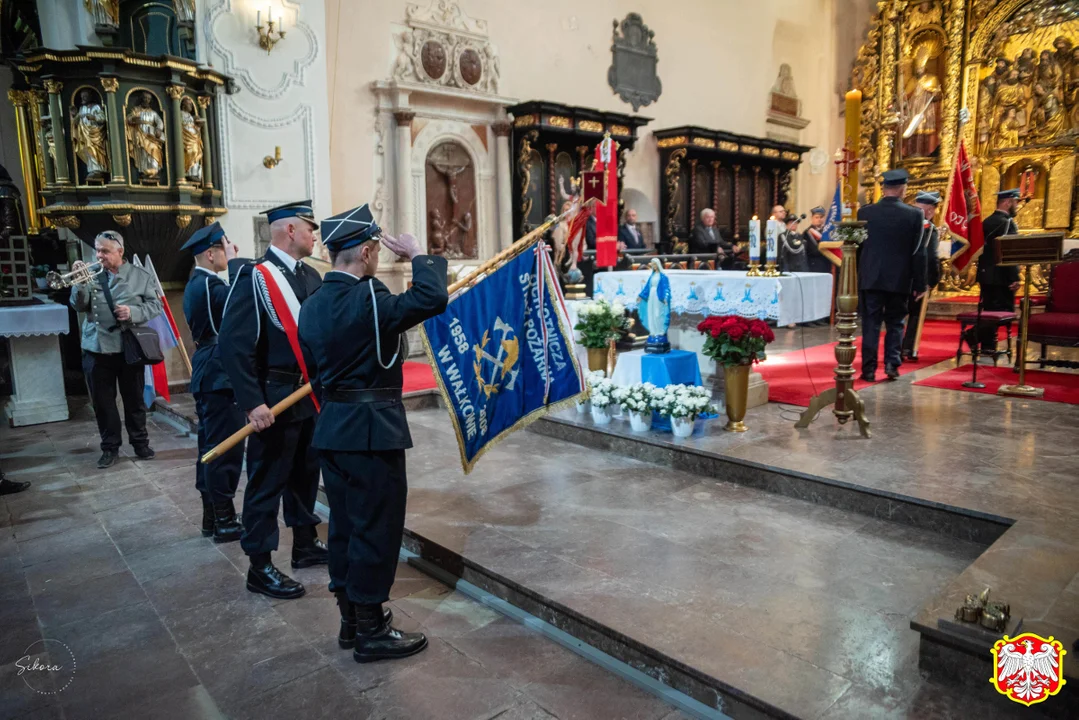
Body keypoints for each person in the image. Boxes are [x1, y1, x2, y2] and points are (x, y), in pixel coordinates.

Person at [297, 203, 448, 663]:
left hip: (333, 429)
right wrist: (419, 254)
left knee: (344, 527)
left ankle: (350, 620)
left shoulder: (312, 305)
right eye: (376, 250)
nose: (378, 258)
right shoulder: (367, 297)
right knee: (376, 529)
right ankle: (371, 630)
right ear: (365, 251)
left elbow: (319, 373)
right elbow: (430, 299)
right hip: (371, 432)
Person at [220, 200, 327, 600]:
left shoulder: (312, 276)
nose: (315, 235)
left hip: (307, 395)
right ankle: (260, 565)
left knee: (304, 475)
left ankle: (304, 544)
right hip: (274, 398)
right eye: (309, 228)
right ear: (289, 231)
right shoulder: (256, 277)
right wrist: (252, 402)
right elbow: (234, 344)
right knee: (267, 482)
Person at [71, 231, 161, 469]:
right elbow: (79, 306)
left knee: (134, 399)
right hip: (97, 348)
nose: (99, 255)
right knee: (103, 403)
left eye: (105, 251)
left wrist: (134, 313)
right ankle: (110, 448)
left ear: (120, 252)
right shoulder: (90, 274)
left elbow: (155, 305)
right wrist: (80, 283)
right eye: (97, 250)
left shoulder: (140, 275)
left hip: (129, 346)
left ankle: (140, 443)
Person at [181, 222, 246, 544]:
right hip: (219, 375)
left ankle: (213, 516)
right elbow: (243, 305)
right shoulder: (210, 286)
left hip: (210, 371)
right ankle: (224, 519)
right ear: (211, 253)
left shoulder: (197, 283)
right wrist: (236, 266)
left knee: (209, 449)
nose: (230, 249)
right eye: (226, 246)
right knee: (226, 449)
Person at [856, 169, 927, 382]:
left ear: (884, 188)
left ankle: (868, 369)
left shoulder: (865, 213)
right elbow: (918, 252)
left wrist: (862, 273)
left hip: (871, 277)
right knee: (896, 323)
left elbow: (859, 247)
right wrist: (920, 282)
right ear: (903, 189)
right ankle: (891, 365)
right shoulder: (914, 214)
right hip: (900, 279)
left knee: (870, 323)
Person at [971, 189, 1022, 355]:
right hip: (1001, 276)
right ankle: (972, 336)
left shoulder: (987, 221)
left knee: (989, 311)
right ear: (1007, 202)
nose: (1017, 206)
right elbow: (1010, 252)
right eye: (1016, 202)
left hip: (986, 274)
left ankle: (987, 346)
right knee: (1004, 312)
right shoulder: (1007, 223)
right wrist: (1014, 277)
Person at [902, 191, 943, 361]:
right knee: (915, 316)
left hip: (901, 278)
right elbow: (931, 257)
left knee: (898, 315)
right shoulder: (930, 229)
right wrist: (931, 281)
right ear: (931, 211)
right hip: (918, 280)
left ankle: (896, 348)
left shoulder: (905, 224)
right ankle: (908, 348)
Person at [803, 207, 833, 274]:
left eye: (821, 217)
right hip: (814, 265)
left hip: (827, 264)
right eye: (817, 217)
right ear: (812, 218)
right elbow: (811, 250)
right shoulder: (807, 233)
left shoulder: (827, 232)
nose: (819, 219)